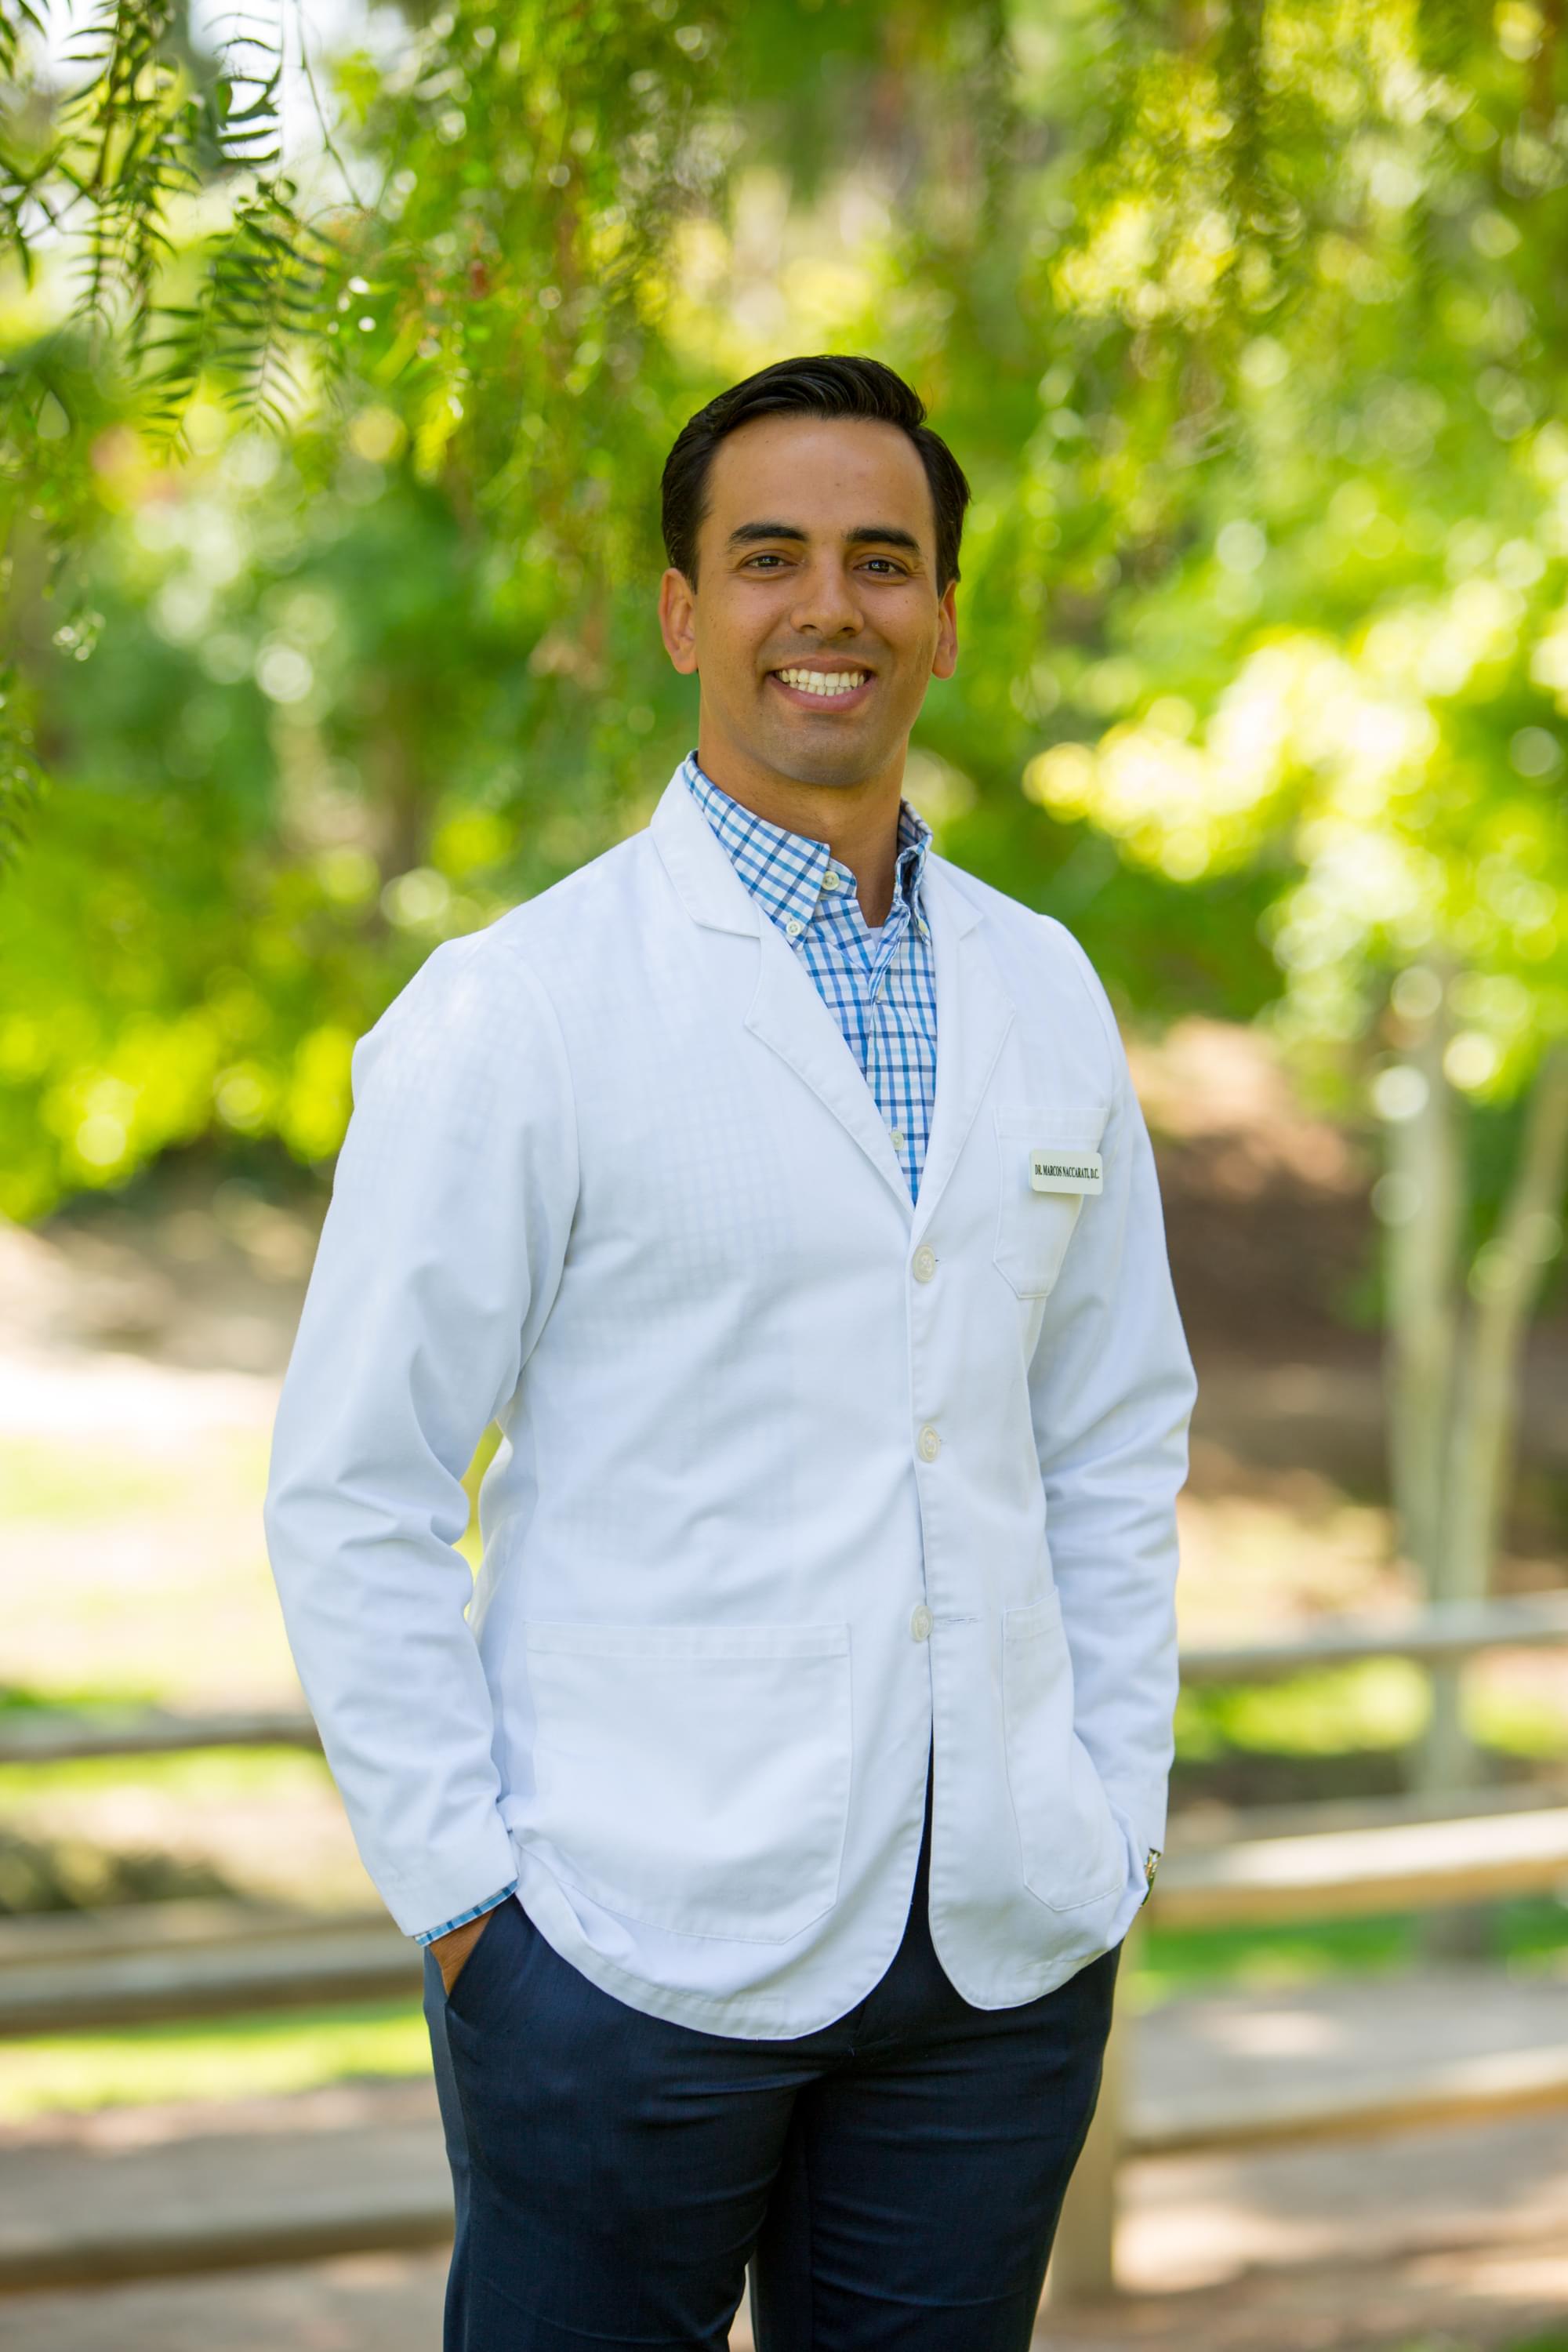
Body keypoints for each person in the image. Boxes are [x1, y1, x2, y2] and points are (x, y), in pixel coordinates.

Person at [264, 352, 1197, 2352]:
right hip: (619, 1952)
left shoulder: (1045, 989)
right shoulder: (517, 1010)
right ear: (685, 614)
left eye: (882, 559)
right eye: (769, 558)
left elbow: (1116, 1433)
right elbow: (355, 1484)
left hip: (996, 1959)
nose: (827, 606)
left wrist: (1110, 1812)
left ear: (945, 615)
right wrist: (468, 1910)